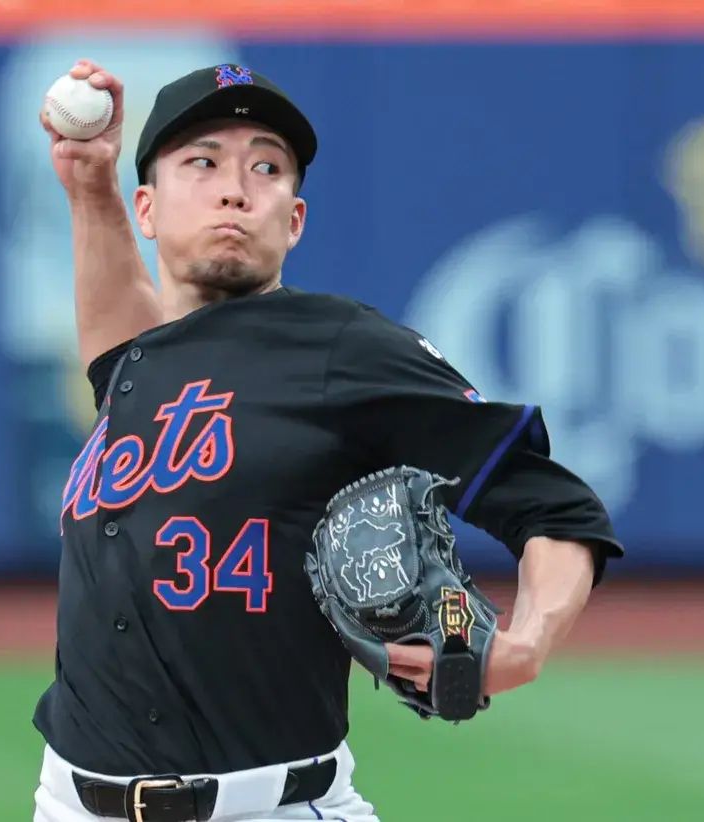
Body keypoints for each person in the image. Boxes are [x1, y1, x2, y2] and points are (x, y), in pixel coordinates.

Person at [30, 59, 625, 822]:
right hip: (70, 803)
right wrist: (87, 183)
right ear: (146, 209)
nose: (235, 187)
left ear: (294, 219)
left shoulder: (341, 348)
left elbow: (553, 504)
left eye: (266, 168)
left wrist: (529, 640)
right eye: (202, 162)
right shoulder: (143, 367)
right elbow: (115, 347)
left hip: (270, 806)